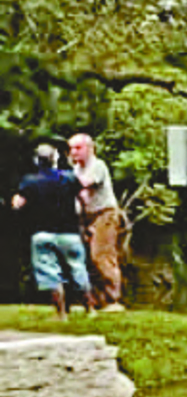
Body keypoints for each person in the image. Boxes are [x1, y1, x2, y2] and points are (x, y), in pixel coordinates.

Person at [11, 143, 91, 318]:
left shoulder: (29, 181)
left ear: (36, 160)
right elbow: (85, 199)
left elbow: (18, 204)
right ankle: (90, 310)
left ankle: (61, 314)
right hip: (70, 232)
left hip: (42, 233)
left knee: (50, 274)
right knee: (78, 269)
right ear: (56, 159)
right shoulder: (69, 178)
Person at [67, 132, 124, 311]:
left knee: (102, 255)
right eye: (71, 149)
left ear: (90, 149)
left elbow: (84, 184)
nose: (73, 153)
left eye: (78, 148)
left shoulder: (97, 166)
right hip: (86, 216)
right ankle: (93, 300)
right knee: (85, 258)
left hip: (104, 213)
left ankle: (113, 300)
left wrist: (61, 181)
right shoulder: (76, 170)